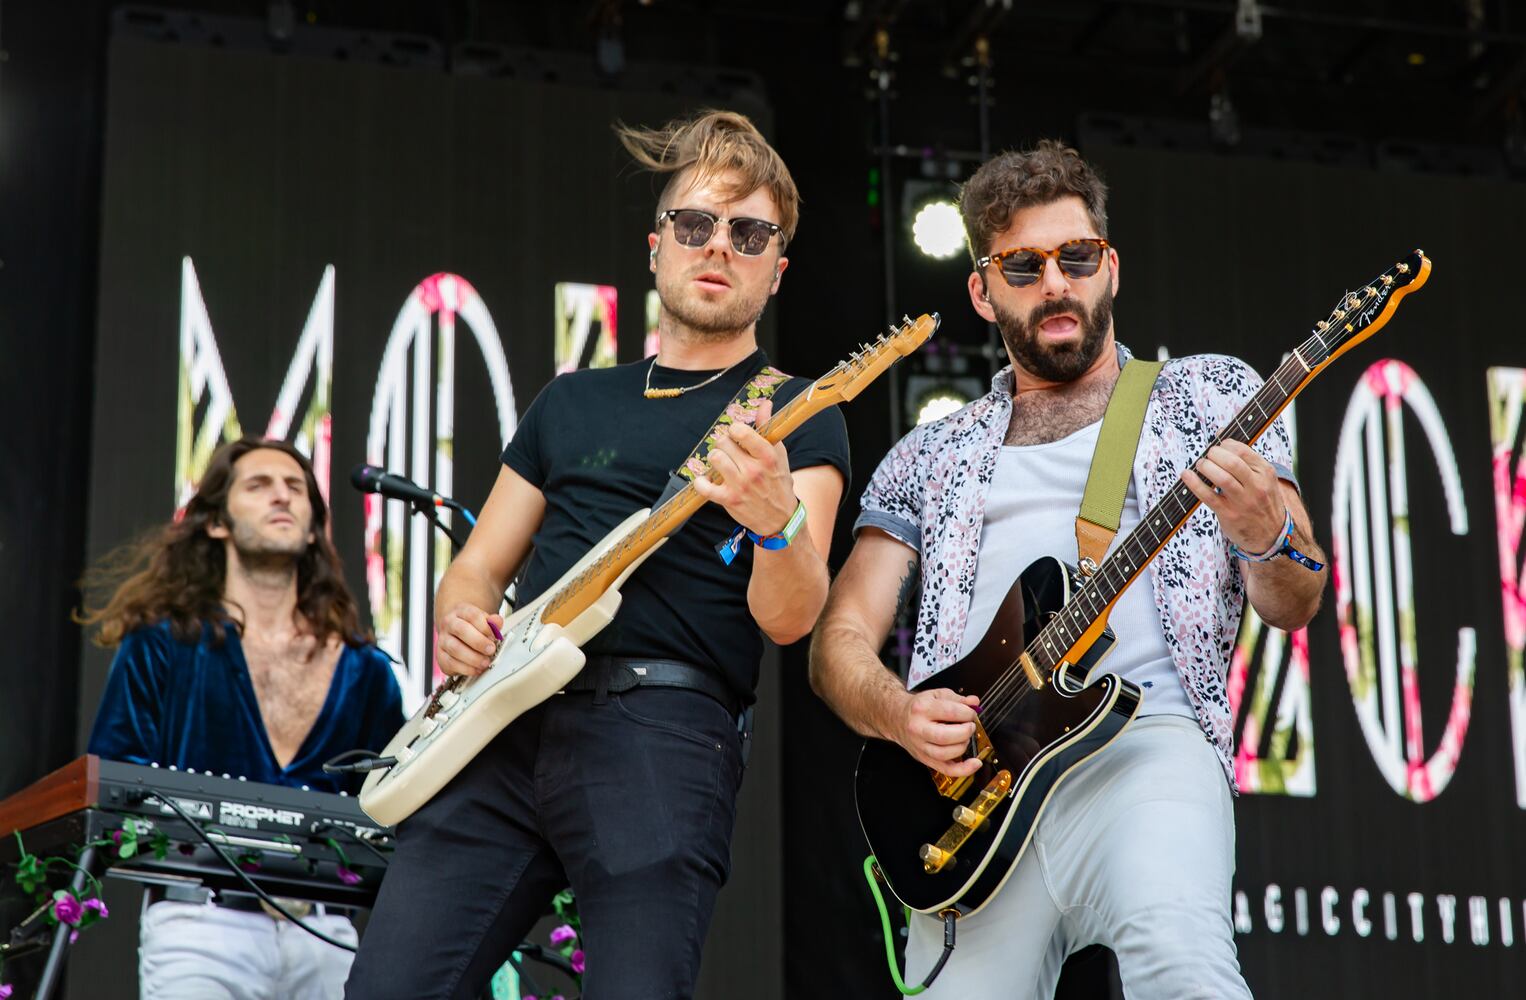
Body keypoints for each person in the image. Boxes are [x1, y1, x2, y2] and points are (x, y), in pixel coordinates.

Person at [345, 108, 850, 1000]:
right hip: (500, 724)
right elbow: (477, 567)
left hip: (660, 734)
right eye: (695, 225)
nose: (717, 246)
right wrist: (460, 619)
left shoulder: (798, 412)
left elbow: (789, 618)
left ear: (778, 268)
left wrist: (776, 523)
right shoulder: (571, 400)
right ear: (656, 247)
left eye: (748, 233)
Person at [809, 140, 1327, 999]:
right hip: (974, 794)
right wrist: (898, 712)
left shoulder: (1207, 396)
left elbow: (1297, 597)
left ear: (1109, 266)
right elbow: (840, 641)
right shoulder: (927, 453)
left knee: (1181, 964)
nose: (1056, 282)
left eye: (1075, 257)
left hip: (1145, 749)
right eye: (1023, 264)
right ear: (982, 289)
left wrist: (1267, 532)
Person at [83, 437, 404, 1000]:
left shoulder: (365, 670)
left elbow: (395, 807)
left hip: (327, 929)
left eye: (296, 487)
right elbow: (113, 783)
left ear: (312, 529)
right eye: (258, 485)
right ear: (216, 524)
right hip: (200, 924)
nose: (281, 496)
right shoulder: (162, 645)